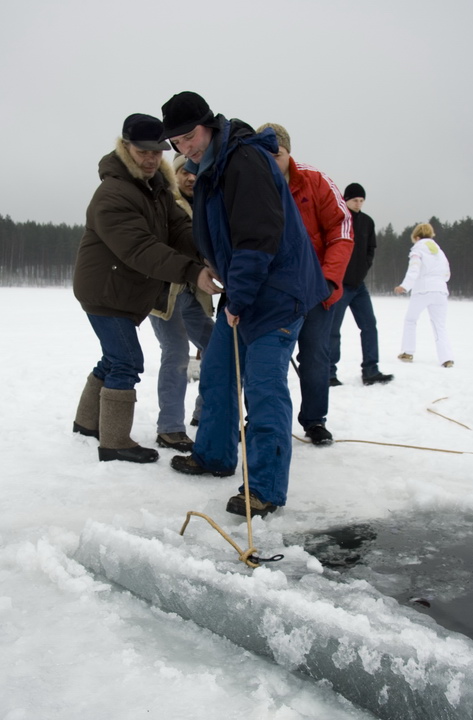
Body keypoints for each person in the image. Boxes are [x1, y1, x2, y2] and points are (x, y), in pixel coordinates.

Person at [159, 91, 329, 517]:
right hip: (247, 290)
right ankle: (214, 454)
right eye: (175, 143)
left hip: (277, 293)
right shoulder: (209, 168)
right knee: (217, 372)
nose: (184, 148)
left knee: (263, 387)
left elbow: (257, 238)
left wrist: (239, 296)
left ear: (208, 124)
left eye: (189, 136)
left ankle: (264, 487)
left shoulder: (243, 161)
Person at [73, 113, 219, 463]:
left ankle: (86, 423)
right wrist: (191, 271)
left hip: (122, 292)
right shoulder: (114, 193)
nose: (152, 159)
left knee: (113, 358)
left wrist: (209, 252)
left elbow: (180, 229)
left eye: (158, 151)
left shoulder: (155, 189)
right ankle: (114, 441)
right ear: (125, 148)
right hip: (104, 293)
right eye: (143, 152)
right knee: (127, 361)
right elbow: (140, 249)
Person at [256, 123, 353, 445]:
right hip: (273, 291)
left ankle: (314, 420)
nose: (271, 161)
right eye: (264, 154)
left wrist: (328, 278)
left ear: (288, 152)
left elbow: (340, 231)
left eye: (277, 154)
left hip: (314, 289)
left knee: (314, 357)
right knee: (269, 360)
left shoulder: (315, 181)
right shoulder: (252, 184)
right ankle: (261, 419)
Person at [147, 152, 214, 452]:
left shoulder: (205, 204)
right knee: (175, 351)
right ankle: (170, 428)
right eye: (183, 172)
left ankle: (206, 413)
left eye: (194, 172)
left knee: (217, 346)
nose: (189, 177)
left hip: (193, 294)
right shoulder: (163, 203)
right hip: (164, 293)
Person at [329, 183, 394, 386]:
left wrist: (363, 269)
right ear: (345, 200)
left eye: (361, 200)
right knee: (332, 329)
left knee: (369, 326)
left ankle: (371, 370)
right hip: (339, 285)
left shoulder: (367, 222)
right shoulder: (338, 219)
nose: (358, 204)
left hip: (359, 286)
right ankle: (329, 372)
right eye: (354, 200)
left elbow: (370, 250)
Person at [394, 222, 454, 367]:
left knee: (411, 320)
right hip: (440, 291)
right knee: (439, 325)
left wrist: (404, 286)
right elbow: (447, 273)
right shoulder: (440, 252)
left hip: (422, 290)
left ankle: (408, 352)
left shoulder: (418, 250)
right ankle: (447, 359)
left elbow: (414, 269)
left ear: (416, 237)